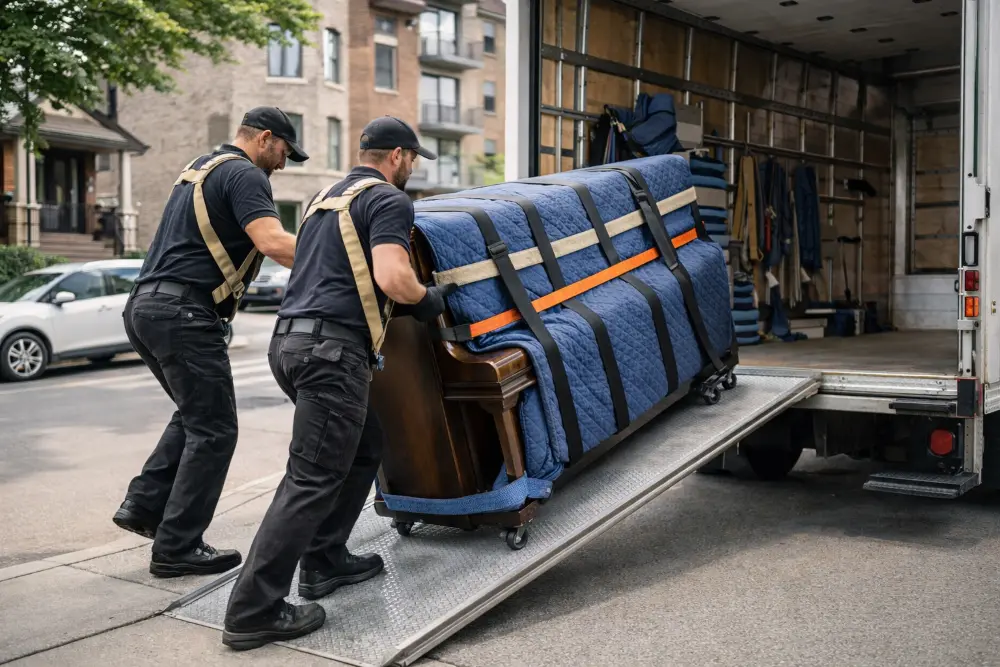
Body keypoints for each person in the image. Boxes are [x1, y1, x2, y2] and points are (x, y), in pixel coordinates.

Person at [221, 116, 456, 651]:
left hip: (290, 345)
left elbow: (332, 274)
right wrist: (426, 299)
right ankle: (253, 610)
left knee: (365, 445)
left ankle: (325, 559)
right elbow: (393, 277)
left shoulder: (324, 199)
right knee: (311, 478)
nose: (411, 168)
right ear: (396, 156)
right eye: (412, 159)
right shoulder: (388, 200)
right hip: (331, 354)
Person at [111, 106, 307, 578]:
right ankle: (176, 547)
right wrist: (338, 257)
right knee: (216, 429)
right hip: (184, 313)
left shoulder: (200, 169)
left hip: (146, 308)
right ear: (264, 138)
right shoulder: (245, 174)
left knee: (196, 414)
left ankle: (145, 504)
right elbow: (272, 242)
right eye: (284, 151)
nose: (283, 162)